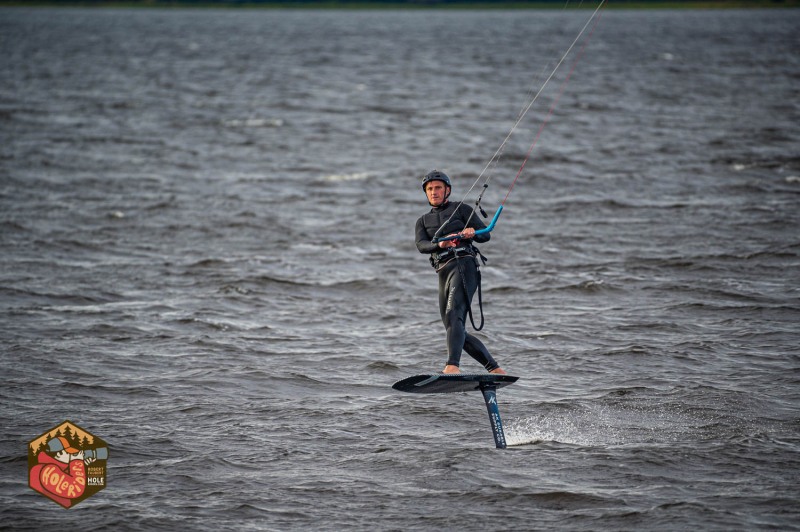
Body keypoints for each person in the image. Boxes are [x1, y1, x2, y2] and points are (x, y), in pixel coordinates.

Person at [415, 169, 506, 375]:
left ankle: (452, 366)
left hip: (464, 264)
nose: (433, 192)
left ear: (447, 190)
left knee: (454, 314)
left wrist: (472, 232)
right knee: (453, 327)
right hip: (443, 271)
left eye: (438, 188)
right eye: (429, 189)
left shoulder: (462, 210)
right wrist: (441, 244)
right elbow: (421, 245)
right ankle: (495, 369)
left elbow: (485, 236)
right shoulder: (422, 221)